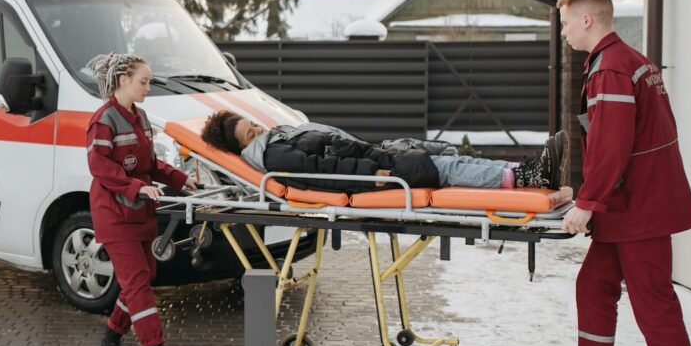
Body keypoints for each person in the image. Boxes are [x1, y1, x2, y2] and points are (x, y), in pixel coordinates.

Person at [539, 0, 691, 346]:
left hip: (638, 208)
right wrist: (591, 193)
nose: (565, 32)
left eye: (567, 22)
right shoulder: (631, 61)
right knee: (594, 285)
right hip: (633, 203)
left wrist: (590, 203)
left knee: (654, 305)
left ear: (588, 19)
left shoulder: (611, 68)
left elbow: (613, 143)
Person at [86, 52, 200, 346]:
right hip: (115, 215)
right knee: (137, 282)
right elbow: (101, 168)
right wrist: (137, 187)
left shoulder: (140, 116)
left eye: (149, 81)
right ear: (123, 81)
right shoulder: (103, 120)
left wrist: (180, 179)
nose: (148, 87)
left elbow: (150, 163)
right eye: (144, 81)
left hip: (137, 212)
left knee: (143, 275)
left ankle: (110, 342)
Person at [199, 110, 568, 194]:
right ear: (242, 146)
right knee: (446, 169)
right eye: (251, 133)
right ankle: (523, 177)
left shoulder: (277, 137)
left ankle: (527, 170)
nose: (258, 129)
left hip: (376, 158)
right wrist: (368, 178)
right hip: (375, 173)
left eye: (253, 124)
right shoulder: (272, 157)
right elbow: (319, 173)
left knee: (448, 157)